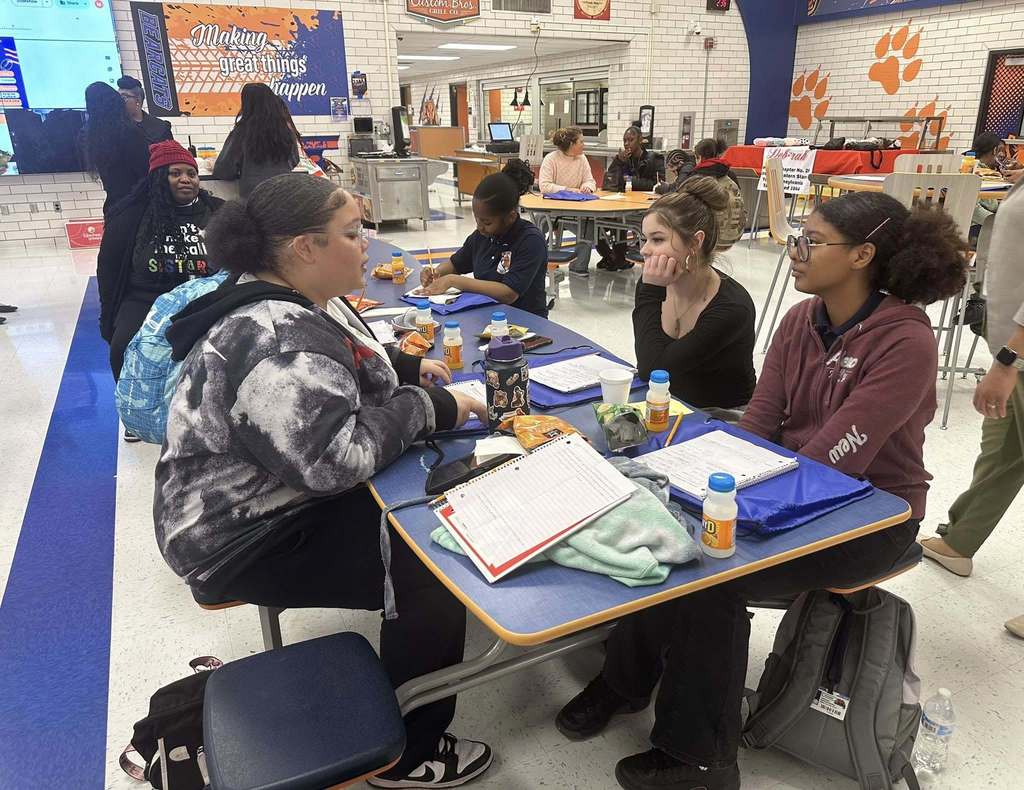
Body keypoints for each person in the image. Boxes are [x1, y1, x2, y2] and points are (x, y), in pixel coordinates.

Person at [556, 191, 969, 790]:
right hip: (788, 485)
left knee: (711, 577)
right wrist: (710, 479)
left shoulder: (904, 341)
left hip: (870, 515)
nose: (793, 251)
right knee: (669, 530)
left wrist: (732, 502)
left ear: (863, 256)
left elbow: (833, 459)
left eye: (811, 240)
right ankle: (623, 682)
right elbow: (759, 420)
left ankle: (700, 759)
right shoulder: (803, 320)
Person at [153, 172, 492, 789]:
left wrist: (409, 368)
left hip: (265, 500)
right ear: (305, 248)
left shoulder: (287, 299)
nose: (366, 245)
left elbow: (341, 368)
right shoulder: (281, 339)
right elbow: (336, 461)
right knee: (433, 563)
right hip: (236, 538)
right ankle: (414, 753)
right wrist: (428, 407)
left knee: (426, 512)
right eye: (352, 233)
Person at [920, 176, 1024, 584]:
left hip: (1016, 352)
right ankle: (961, 541)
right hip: (1010, 349)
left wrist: (1008, 359)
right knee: (1000, 452)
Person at [97, 141, 223, 394]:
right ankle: (133, 407)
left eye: (191, 173)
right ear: (157, 178)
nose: (186, 179)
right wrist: (109, 316)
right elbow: (108, 270)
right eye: (175, 173)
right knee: (122, 347)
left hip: (206, 299)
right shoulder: (130, 217)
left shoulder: (218, 211)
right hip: (147, 298)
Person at [633, 178, 755, 411]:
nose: (644, 250)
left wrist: (650, 293)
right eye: (645, 238)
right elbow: (648, 362)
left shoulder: (732, 308)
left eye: (657, 239)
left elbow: (652, 369)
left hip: (722, 418)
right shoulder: (653, 284)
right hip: (670, 404)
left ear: (695, 242)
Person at [420, 159, 550, 317]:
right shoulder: (481, 236)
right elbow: (456, 263)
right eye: (477, 219)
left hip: (526, 323)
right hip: (489, 317)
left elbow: (508, 294)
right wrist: (435, 273)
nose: (480, 227)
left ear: (510, 216)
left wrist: (454, 281)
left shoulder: (530, 241)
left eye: (487, 222)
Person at [212, 83, 301, 197]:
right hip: (284, 193)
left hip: (254, 196)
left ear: (247, 104)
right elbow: (295, 160)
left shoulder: (241, 132)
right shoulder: (285, 130)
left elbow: (224, 170)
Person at [83, 82, 150, 215]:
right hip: (138, 204)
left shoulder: (92, 136)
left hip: (114, 206)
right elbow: (146, 172)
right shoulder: (129, 132)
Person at [540, 127, 599, 277]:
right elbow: (544, 186)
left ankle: (578, 266)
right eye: (581, 141)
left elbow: (590, 181)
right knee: (537, 229)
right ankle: (541, 262)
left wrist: (587, 187)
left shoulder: (582, 158)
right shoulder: (551, 159)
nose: (584, 144)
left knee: (589, 227)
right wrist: (569, 190)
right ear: (572, 144)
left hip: (575, 211)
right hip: (551, 211)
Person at [603, 126, 664, 193]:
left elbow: (658, 184)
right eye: (625, 140)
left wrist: (630, 180)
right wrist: (618, 161)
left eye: (631, 140)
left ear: (640, 140)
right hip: (625, 199)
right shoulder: (623, 159)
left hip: (645, 199)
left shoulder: (654, 159)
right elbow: (610, 182)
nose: (626, 144)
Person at [117, 75, 174, 145]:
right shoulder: (116, 127)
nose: (119, 100)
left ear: (138, 100)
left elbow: (171, 154)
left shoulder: (161, 128)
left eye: (124, 97)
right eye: (117, 96)